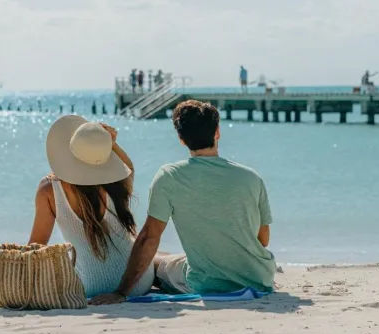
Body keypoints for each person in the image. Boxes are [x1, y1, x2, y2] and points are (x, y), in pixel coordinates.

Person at [90, 99, 276, 305]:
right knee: (168, 258)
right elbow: (263, 239)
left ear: (181, 139)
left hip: (206, 283)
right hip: (259, 278)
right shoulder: (251, 177)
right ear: (217, 133)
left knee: (155, 263)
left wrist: (121, 292)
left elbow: (150, 237)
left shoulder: (170, 176)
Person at [29, 116, 155, 298]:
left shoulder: (49, 189)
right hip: (138, 284)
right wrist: (111, 144)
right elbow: (129, 167)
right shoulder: (119, 183)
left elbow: (37, 246)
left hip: (91, 287)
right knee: (155, 255)